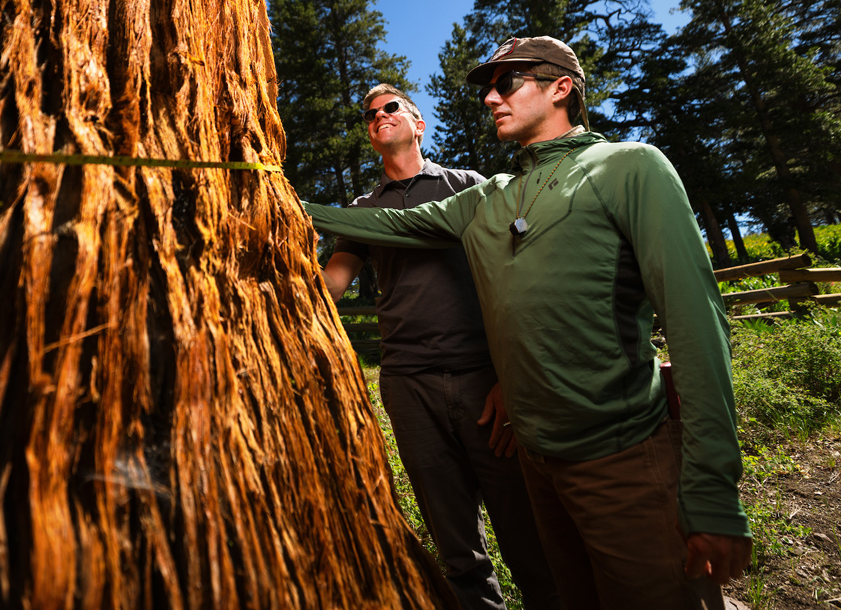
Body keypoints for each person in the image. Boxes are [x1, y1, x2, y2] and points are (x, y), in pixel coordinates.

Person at [304, 37, 751, 610]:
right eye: (488, 88)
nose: (490, 98)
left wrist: (713, 489)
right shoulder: (491, 197)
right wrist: (274, 188)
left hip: (621, 458)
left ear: (561, 87)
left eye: (506, 83)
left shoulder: (628, 167)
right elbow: (387, 225)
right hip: (536, 464)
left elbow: (696, 325)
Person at [322, 85, 560, 610]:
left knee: (526, 528)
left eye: (390, 108)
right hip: (409, 384)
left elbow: (516, 272)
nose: (378, 117)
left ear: (418, 122)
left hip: (484, 379)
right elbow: (331, 284)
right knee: (454, 538)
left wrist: (507, 376)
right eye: (369, 115)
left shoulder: (466, 186)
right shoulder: (362, 210)